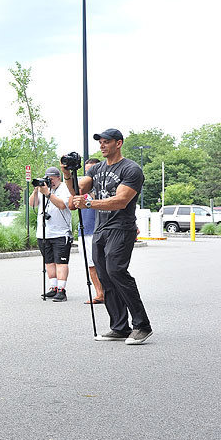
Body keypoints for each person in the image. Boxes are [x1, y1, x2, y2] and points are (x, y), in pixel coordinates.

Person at [67, 128, 152, 345]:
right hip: (101, 228)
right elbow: (76, 191)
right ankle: (119, 327)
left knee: (116, 271)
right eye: (100, 142)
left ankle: (142, 325)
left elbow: (121, 201)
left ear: (118, 143)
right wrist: (68, 173)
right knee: (104, 276)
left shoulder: (131, 169)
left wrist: (88, 203)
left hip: (121, 228)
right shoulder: (97, 169)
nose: (102, 145)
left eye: (106, 142)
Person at [29, 167, 72, 302]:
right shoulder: (43, 189)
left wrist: (47, 193)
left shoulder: (65, 188)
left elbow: (62, 205)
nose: (50, 182)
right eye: (48, 179)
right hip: (44, 233)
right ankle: (53, 287)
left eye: (52, 179)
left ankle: (61, 290)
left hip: (61, 232)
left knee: (61, 262)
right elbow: (32, 204)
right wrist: (36, 190)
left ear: (58, 178)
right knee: (49, 262)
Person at [74, 157, 104, 304]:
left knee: (105, 264)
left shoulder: (104, 188)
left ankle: (111, 293)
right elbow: (71, 204)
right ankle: (99, 294)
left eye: (92, 171)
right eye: (87, 172)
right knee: (90, 264)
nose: (89, 175)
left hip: (101, 229)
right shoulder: (83, 188)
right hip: (85, 230)